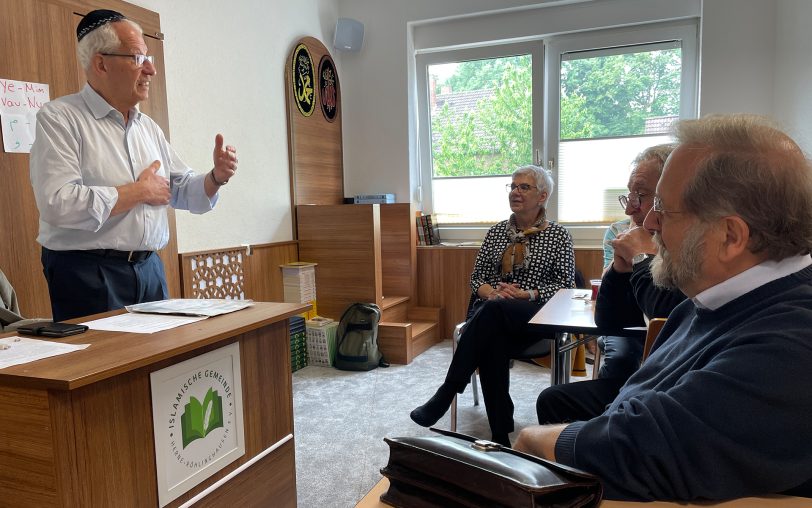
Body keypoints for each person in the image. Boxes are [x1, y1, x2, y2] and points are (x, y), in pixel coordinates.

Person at [514, 114, 812, 501]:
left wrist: (534, 440)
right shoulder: (712, 299)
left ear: (730, 235)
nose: (649, 221)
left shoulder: (793, 342)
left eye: (663, 209)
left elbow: (646, 448)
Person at [29, 10, 238, 321]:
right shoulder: (60, 118)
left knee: (159, 366)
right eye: (139, 58)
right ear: (101, 63)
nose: (151, 70)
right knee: (109, 367)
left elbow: (176, 189)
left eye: (149, 57)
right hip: (88, 272)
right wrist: (137, 192)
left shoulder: (148, 128)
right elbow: (57, 203)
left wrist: (216, 178)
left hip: (149, 268)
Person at [410, 165, 575, 447]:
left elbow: (566, 286)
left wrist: (526, 294)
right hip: (493, 313)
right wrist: (492, 293)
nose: (515, 192)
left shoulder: (558, 236)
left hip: (535, 316)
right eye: (512, 186)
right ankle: (500, 435)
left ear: (543, 196)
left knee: (493, 316)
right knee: (493, 335)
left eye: (524, 187)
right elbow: (477, 279)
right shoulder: (497, 232)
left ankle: (448, 391)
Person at [535, 145, 687, 425]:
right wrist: (619, 269)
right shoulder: (640, 240)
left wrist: (641, 256)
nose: (631, 208)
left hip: (676, 390)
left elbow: (665, 312)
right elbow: (608, 320)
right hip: (654, 377)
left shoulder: (691, 252)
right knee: (553, 399)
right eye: (629, 196)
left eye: (641, 196)